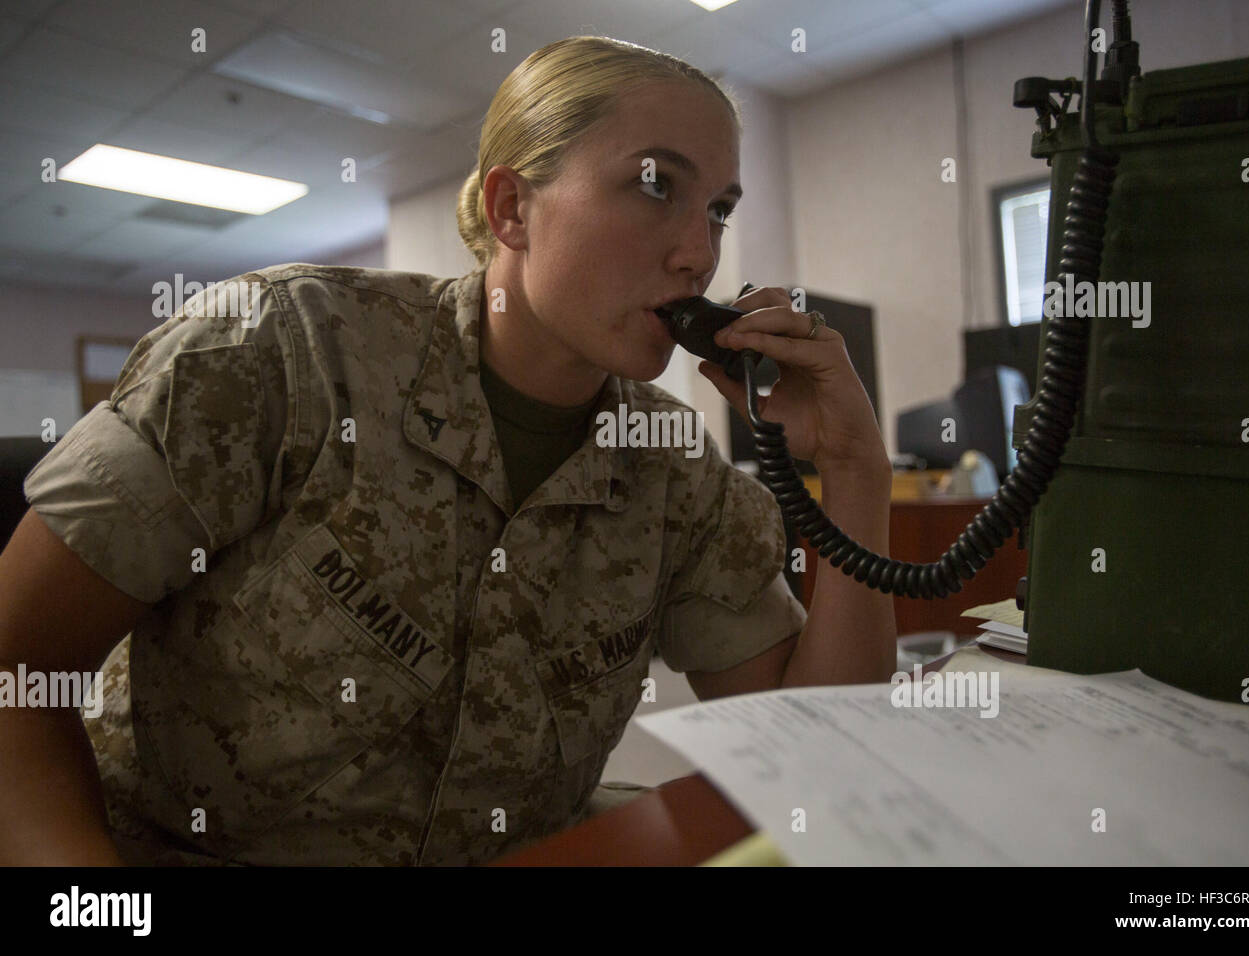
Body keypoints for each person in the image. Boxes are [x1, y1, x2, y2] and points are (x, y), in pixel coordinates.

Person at [0, 35, 895, 866]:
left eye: (720, 211)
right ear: (513, 207)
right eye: (657, 185)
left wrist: (856, 470)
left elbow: (818, 749)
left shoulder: (674, 472)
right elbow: (18, 667)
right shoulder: (278, 352)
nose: (699, 256)